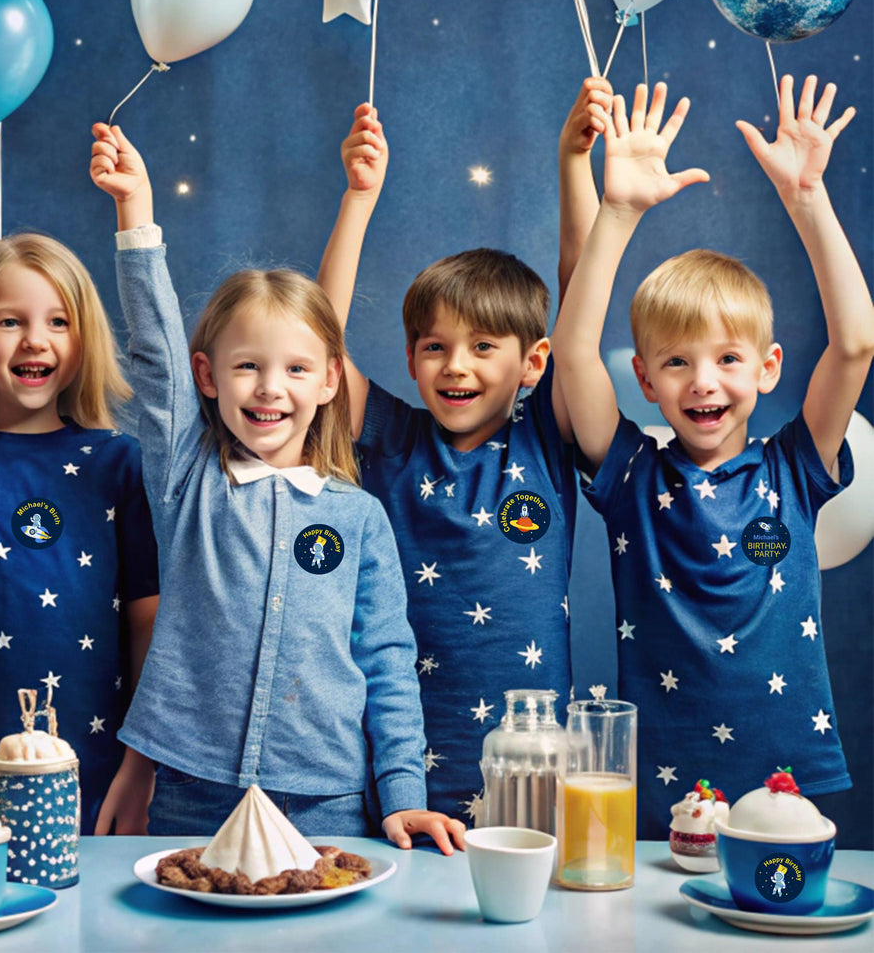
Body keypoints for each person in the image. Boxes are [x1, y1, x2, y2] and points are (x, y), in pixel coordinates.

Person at [89, 122, 466, 853]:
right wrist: (136, 214)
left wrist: (403, 798)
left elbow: (387, 660)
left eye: (296, 368)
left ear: (329, 380)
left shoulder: (358, 518)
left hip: (327, 797)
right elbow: (156, 356)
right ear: (208, 377)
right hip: (194, 788)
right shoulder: (188, 480)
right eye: (246, 367)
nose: (270, 390)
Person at [550, 77, 871, 838]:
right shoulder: (631, 474)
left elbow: (855, 345)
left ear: (767, 369)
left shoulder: (793, 469)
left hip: (783, 770)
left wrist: (808, 200)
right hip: (659, 776)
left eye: (728, 359)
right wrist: (619, 213)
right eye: (677, 363)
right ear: (646, 381)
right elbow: (571, 352)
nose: (703, 383)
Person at [314, 81, 612, 821]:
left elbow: (580, 306)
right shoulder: (391, 439)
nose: (457, 366)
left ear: (533, 362)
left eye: (484, 348)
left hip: (535, 774)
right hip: (399, 767)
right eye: (435, 348)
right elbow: (313, 343)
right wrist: (357, 199)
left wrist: (574, 162)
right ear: (411, 358)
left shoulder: (544, 437)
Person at [0, 233, 159, 835]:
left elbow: (147, 628)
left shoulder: (119, 464)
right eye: (10, 321)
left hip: (95, 769)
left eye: (59, 321)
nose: (35, 339)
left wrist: (142, 767)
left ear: (84, 339)